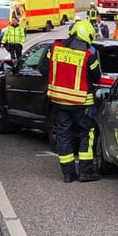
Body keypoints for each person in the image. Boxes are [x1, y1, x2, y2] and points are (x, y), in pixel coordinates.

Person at [39, 18, 102, 183]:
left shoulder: (54, 48)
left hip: (60, 102)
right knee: (86, 134)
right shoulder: (89, 56)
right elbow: (97, 77)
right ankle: (85, 172)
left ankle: (68, 174)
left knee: (64, 135)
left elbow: (43, 68)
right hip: (82, 103)